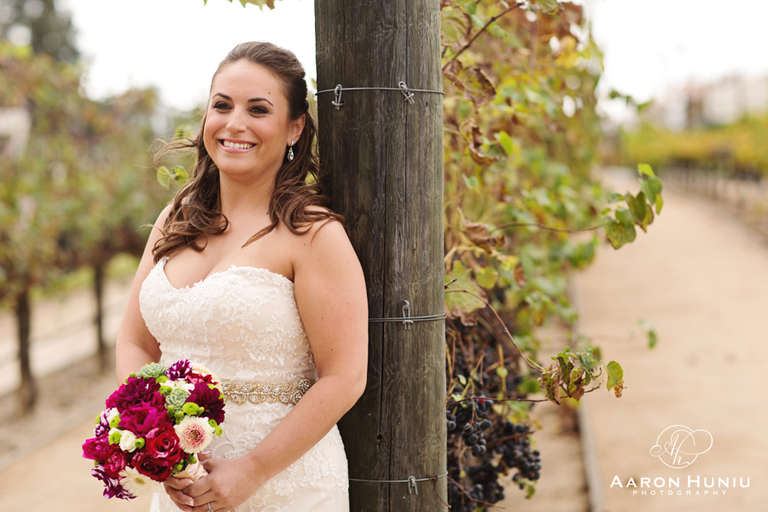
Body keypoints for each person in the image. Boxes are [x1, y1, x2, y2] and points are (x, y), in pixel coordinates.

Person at [115, 41, 368, 512]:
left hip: (286, 484)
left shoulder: (312, 233)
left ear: (294, 127)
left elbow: (345, 376)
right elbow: (135, 343)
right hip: (185, 488)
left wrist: (252, 469)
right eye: (222, 105)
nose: (235, 124)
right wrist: (156, 439)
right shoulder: (175, 219)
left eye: (258, 110)